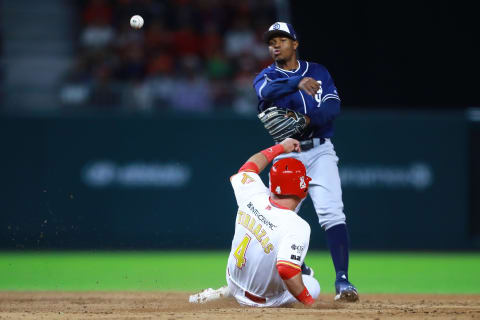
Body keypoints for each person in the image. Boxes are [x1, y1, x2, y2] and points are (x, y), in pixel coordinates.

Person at [252, 22, 358, 302]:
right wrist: (295, 82)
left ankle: (343, 281)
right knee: (279, 219)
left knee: (332, 213)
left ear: (295, 44)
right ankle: (297, 265)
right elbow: (263, 93)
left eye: (282, 40)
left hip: (320, 150)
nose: (275, 44)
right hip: (287, 151)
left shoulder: (318, 72)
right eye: (271, 41)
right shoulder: (267, 76)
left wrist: (310, 119)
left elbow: (333, 106)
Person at [190, 138, 320, 307]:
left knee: (288, 259)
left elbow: (249, 166)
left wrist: (281, 147)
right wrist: (309, 303)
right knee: (311, 282)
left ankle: (228, 292)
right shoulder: (298, 226)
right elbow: (286, 270)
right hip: (263, 301)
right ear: (301, 190)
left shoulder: (253, 193)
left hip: (233, 280)